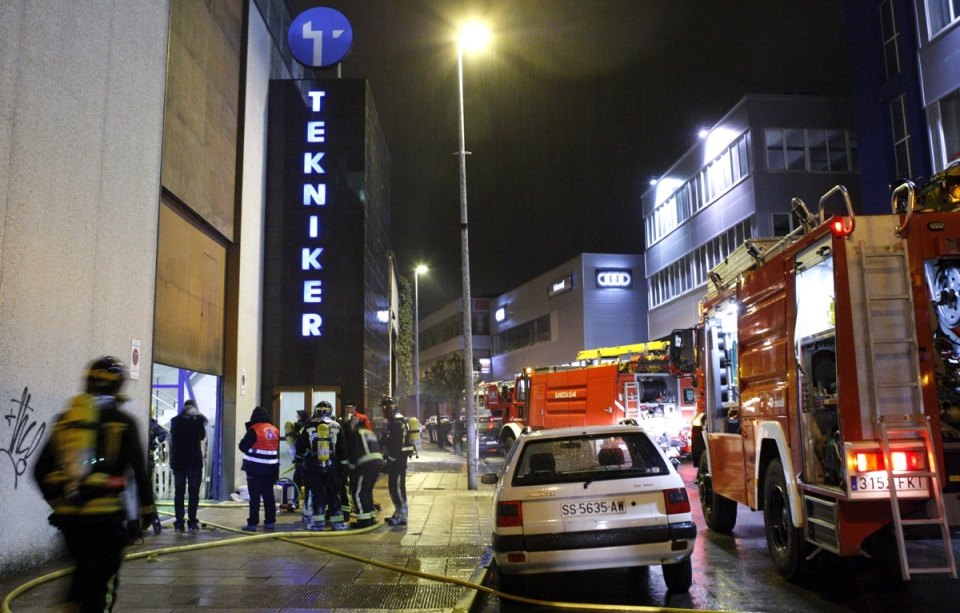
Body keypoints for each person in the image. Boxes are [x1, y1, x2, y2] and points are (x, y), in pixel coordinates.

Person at [34, 356, 158, 613]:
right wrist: (147, 512)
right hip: (106, 522)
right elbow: (138, 472)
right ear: (118, 386)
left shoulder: (67, 420)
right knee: (102, 584)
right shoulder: (123, 423)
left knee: (82, 577)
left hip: (71, 522)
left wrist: (60, 503)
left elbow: (39, 470)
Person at [296, 401, 347, 531]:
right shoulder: (336, 426)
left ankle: (317, 524)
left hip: (313, 467)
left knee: (317, 493)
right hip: (332, 466)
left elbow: (300, 448)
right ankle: (338, 523)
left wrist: (304, 458)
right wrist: (343, 468)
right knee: (333, 493)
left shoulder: (308, 426)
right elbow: (342, 449)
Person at [238, 406, 280, 531]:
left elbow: (243, 447)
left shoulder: (254, 429)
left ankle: (252, 523)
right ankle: (270, 522)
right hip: (271, 468)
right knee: (268, 496)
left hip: (255, 468)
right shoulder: (274, 429)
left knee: (254, 496)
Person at [169, 399, 208, 533]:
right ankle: (192, 522)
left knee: (179, 492)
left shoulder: (175, 421)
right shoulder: (198, 420)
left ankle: (179, 523)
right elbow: (202, 436)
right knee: (193, 492)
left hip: (178, 461)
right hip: (194, 461)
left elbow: (172, 439)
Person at [343, 413, 383, 528]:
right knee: (367, 491)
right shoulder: (370, 433)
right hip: (376, 463)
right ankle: (370, 517)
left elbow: (353, 452)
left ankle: (363, 520)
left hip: (365, 464)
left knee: (358, 492)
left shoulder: (355, 434)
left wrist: (350, 469)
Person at [380, 396, 409, 526]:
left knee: (397, 488)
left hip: (398, 462)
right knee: (393, 488)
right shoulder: (393, 422)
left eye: (383, 409)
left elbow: (397, 446)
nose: (382, 412)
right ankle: (398, 513)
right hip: (395, 462)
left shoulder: (397, 423)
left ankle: (402, 516)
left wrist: (389, 462)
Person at [285, 408, 310, 512]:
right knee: (307, 483)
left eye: (298, 416)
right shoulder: (307, 426)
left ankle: (295, 503)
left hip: (300, 459)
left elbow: (300, 443)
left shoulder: (300, 426)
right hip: (306, 459)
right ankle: (307, 505)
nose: (297, 418)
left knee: (297, 482)